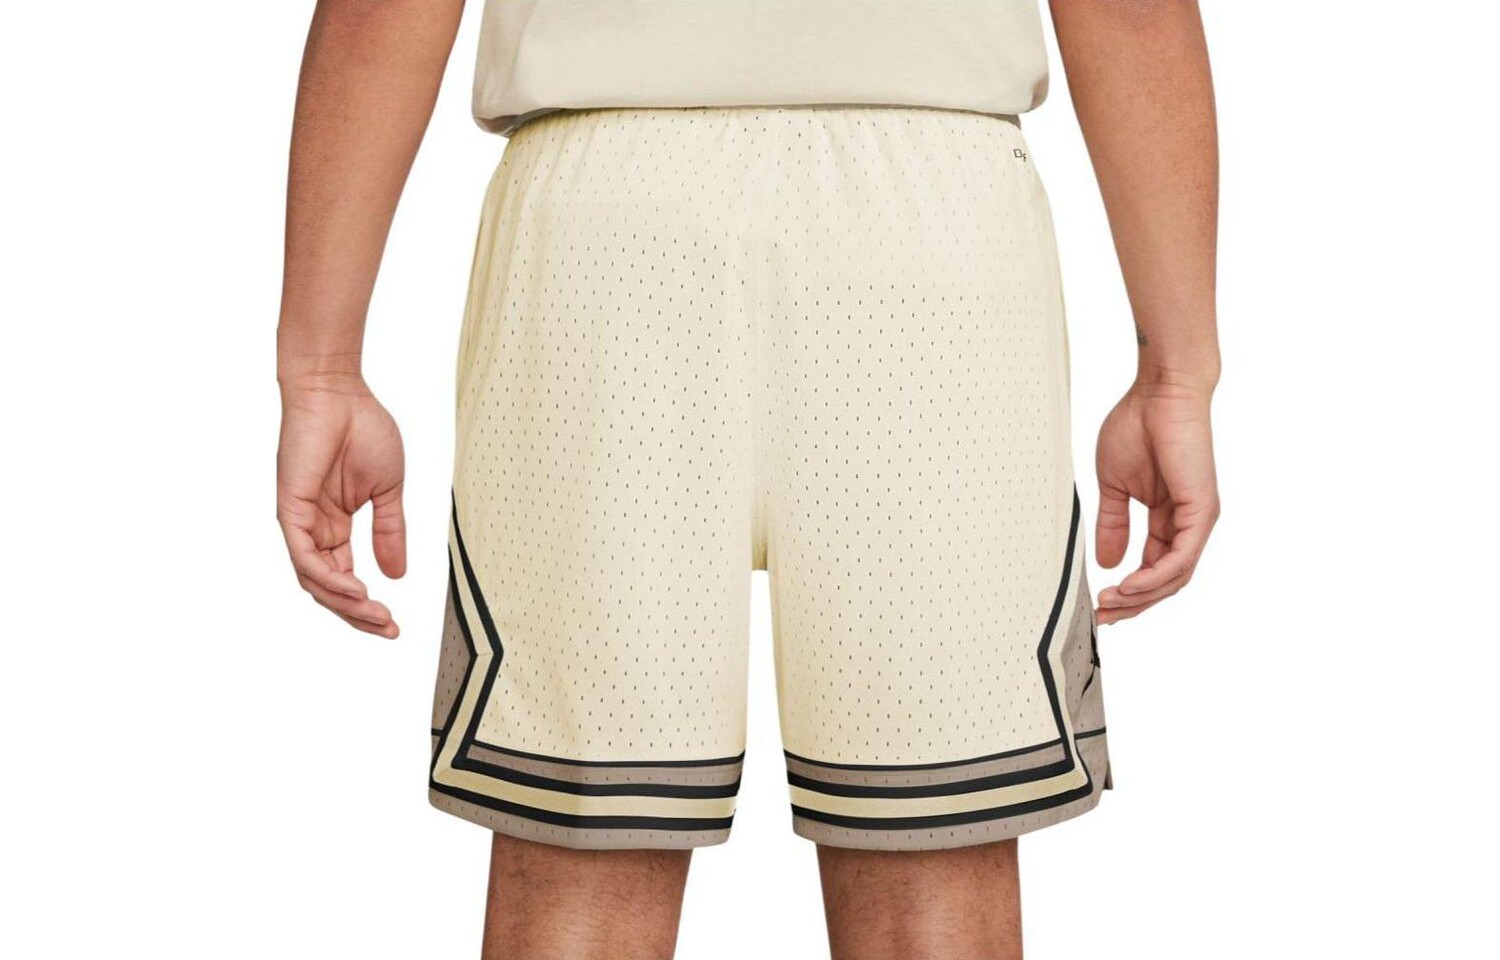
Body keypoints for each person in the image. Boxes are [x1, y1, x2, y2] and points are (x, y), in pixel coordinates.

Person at [275, 1, 1220, 956]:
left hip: (607, 235)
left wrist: (321, 366)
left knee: (582, 873)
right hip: (934, 243)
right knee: (930, 872)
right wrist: (1175, 374)